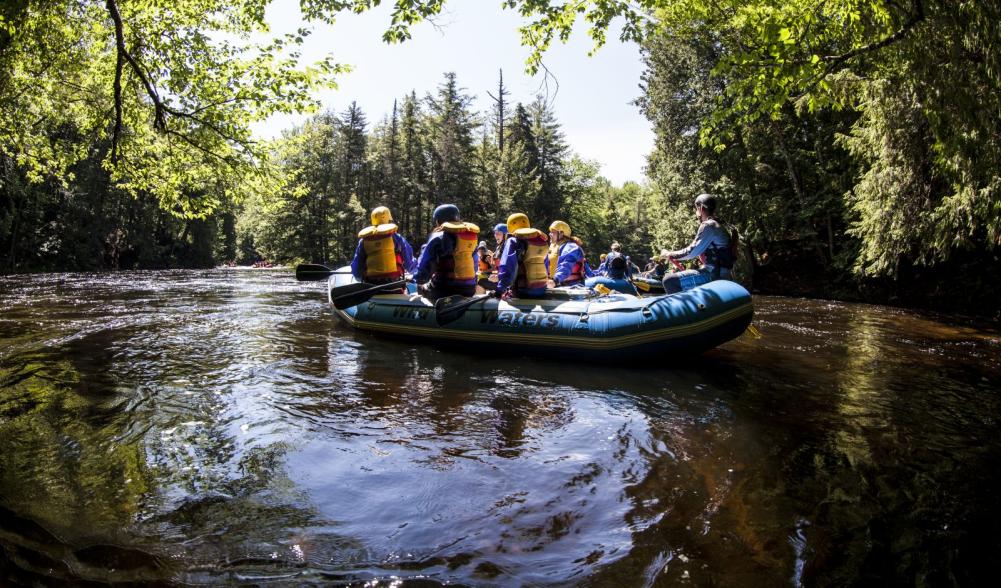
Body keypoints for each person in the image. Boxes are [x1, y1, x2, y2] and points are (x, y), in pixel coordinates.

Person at [662, 193, 738, 294]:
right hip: (725, 275)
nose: (696, 213)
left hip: (714, 275)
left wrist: (669, 254)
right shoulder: (720, 225)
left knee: (669, 280)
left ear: (701, 208)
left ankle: (685, 309)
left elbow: (691, 252)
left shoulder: (708, 225)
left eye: (696, 209)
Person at [414, 204, 480, 301]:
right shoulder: (469, 238)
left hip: (444, 289)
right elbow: (475, 265)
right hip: (469, 289)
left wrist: (417, 278)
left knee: (420, 286)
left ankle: (426, 312)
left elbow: (424, 267)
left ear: (438, 221)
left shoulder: (437, 237)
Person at [351, 206, 417, 291]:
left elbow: (356, 272)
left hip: (371, 286)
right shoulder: (397, 238)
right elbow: (410, 264)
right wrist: (418, 273)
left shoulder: (363, 241)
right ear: (388, 220)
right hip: (394, 285)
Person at [494, 212, 549, 299]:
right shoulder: (542, 241)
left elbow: (508, 267)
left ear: (510, 226)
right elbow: (546, 266)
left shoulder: (513, 241)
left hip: (522, 291)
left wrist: (499, 290)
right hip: (542, 289)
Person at [547, 220, 591, 287]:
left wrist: (555, 280)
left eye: (553, 232)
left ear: (561, 234)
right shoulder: (552, 248)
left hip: (573, 286)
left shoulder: (571, 247)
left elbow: (566, 265)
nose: (550, 234)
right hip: (556, 284)